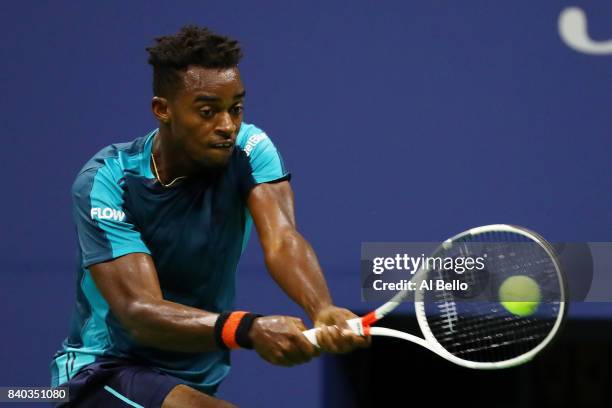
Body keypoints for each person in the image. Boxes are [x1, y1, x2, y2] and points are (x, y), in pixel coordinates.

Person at [49, 25, 368, 407]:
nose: (227, 126)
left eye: (236, 109)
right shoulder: (107, 180)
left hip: (196, 375)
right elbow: (138, 310)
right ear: (162, 109)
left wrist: (322, 307)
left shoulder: (250, 148)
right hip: (106, 371)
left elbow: (282, 239)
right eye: (207, 111)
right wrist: (249, 329)